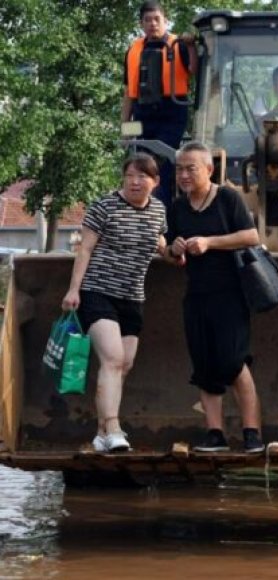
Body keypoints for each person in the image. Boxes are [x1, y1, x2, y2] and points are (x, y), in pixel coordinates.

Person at [61, 153, 169, 452]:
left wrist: (176, 253)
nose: (135, 182)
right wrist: (74, 290)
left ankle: (100, 434)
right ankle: (114, 427)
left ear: (155, 182)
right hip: (98, 292)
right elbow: (85, 250)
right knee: (113, 359)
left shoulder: (158, 210)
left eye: (143, 176)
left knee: (123, 365)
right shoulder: (104, 205)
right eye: (130, 175)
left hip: (132, 297)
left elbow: (159, 243)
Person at [166, 142, 265, 453]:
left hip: (230, 294)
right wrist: (176, 250)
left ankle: (252, 433)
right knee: (205, 365)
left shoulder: (227, 198)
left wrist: (209, 242)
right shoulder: (178, 207)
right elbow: (170, 252)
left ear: (209, 170)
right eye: (179, 168)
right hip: (196, 295)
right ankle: (215, 434)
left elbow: (251, 236)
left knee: (233, 361)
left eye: (190, 168)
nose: (183, 174)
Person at [122, 1, 197, 210]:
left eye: (157, 19)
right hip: (142, 114)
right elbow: (128, 92)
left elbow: (193, 69)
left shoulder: (178, 45)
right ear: (141, 24)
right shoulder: (133, 50)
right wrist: (125, 128)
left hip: (171, 114)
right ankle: (141, 211)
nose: (152, 24)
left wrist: (190, 46)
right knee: (139, 163)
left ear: (165, 21)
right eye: (147, 20)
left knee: (158, 164)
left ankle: (159, 213)